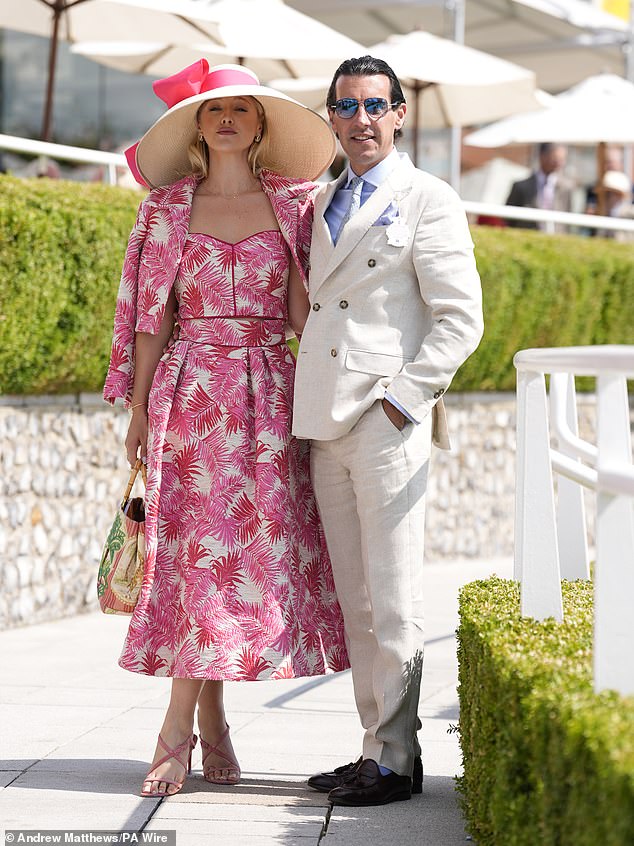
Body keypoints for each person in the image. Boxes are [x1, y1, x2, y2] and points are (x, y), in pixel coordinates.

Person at [103, 60, 348, 797]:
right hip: (191, 397)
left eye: (244, 108)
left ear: (262, 123)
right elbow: (152, 321)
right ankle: (181, 726)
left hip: (273, 400)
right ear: (199, 127)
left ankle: (205, 720)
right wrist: (141, 412)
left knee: (246, 564)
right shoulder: (164, 209)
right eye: (216, 110)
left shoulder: (297, 207)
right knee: (194, 562)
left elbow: (311, 316)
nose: (230, 119)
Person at [292, 55, 484, 807]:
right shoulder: (319, 199)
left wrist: (405, 400)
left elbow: (460, 318)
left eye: (376, 104)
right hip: (323, 420)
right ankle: (375, 749)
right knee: (358, 602)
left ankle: (399, 761)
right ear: (332, 118)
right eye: (347, 107)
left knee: (397, 598)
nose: (362, 119)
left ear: (400, 114)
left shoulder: (428, 198)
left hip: (385, 415)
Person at [506, 142, 573, 231]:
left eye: (562, 159)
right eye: (556, 158)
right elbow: (508, 219)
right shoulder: (521, 187)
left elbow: (567, 221)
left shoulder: (566, 188)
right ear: (542, 156)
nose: (559, 163)